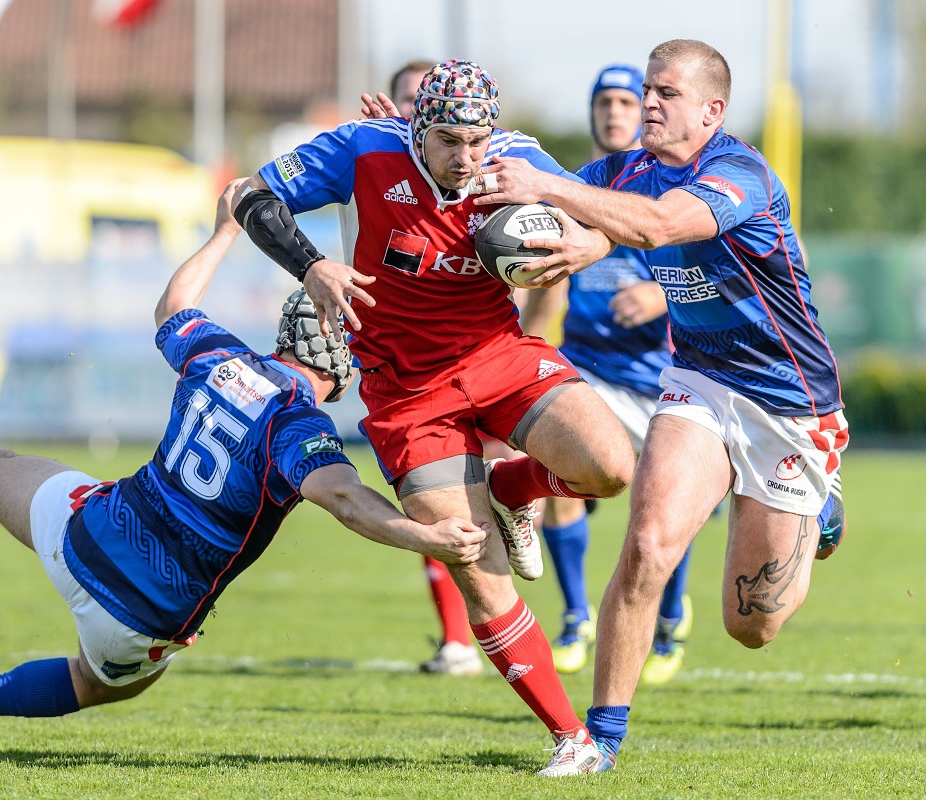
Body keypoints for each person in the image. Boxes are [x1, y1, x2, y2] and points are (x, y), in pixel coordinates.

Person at [0, 180, 491, 727]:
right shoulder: (298, 425)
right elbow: (344, 498)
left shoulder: (220, 358)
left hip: (88, 532)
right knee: (95, 685)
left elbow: (172, 306)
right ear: (346, 362)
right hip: (142, 617)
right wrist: (426, 537)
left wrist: (225, 230)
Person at [233, 59, 637, 776]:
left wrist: (589, 242)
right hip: (405, 391)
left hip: (499, 354)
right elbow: (248, 194)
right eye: (449, 140)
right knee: (475, 564)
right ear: (417, 128)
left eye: (478, 141)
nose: (466, 157)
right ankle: (572, 739)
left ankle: (510, 487)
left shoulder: (518, 162)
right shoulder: (363, 149)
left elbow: (616, 213)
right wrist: (312, 266)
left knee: (611, 467)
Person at [474, 39, 849, 773]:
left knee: (751, 626)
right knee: (647, 545)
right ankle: (597, 742)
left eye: (666, 93)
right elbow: (557, 193)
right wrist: (410, 135)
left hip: (789, 402)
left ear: (712, 110)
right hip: (698, 381)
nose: (649, 102)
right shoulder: (628, 168)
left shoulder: (738, 174)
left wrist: (564, 203)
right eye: (648, 89)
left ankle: (820, 508)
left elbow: (655, 225)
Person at [517, 64, 695, 685]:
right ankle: (574, 616)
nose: (617, 112)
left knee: (664, 505)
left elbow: (716, 269)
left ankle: (670, 616)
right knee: (554, 466)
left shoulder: (670, 189)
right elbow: (546, 281)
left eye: (627, 100)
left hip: (662, 375)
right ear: (592, 112)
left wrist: (661, 294)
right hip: (587, 367)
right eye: (606, 102)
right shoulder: (572, 189)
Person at [367, 59, 489, 677]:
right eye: (410, 106)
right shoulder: (369, 165)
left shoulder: (493, 170)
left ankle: (577, 615)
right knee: (436, 502)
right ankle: (458, 640)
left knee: (544, 479)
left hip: (487, 354)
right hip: (406, 368)